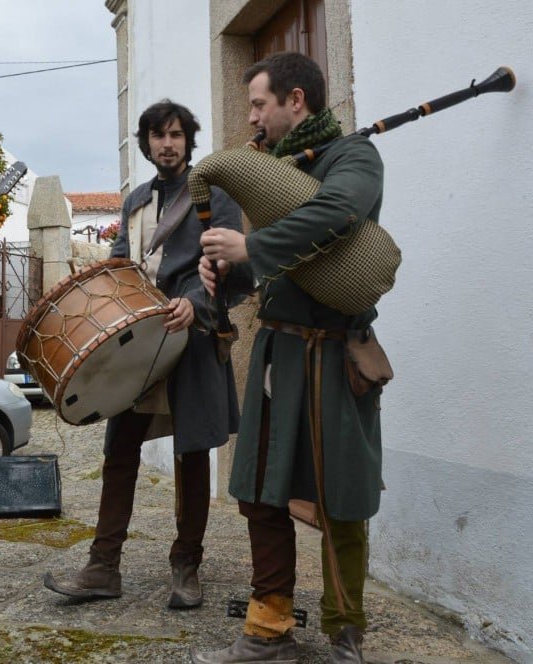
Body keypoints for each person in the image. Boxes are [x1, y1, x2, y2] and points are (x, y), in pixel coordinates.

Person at [193, 52, 385, 663]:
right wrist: (229, 271)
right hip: (278, 350)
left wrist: (251, 244)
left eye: (257, 103)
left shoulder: (354, 157)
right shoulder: (272, 169)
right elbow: (274, 275)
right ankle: (269, 626)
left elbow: (339, 213)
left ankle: (345, 632)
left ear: (295, 101)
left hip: (334, 354)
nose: (250, 116)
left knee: (340, 497)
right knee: (258, 492)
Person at [42, 100, 248, 609]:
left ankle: (187, 566)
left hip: (192, 336)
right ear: (147, 143)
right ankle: (103, 567)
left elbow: (229, 268)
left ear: (187, 139)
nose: (167, 144)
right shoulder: (135, 201)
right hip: (139, 343)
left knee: (192, 454)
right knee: (119, 452)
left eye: (176, 135)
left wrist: (196, 303)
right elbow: (120, 267)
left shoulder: (213, 195)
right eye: (158, 136)